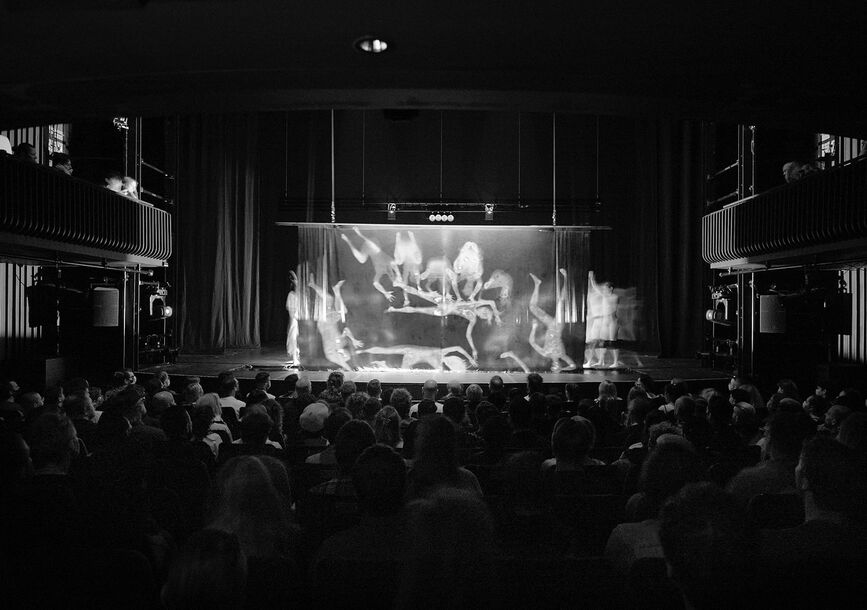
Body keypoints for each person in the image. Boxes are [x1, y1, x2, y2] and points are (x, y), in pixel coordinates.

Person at [527, 270, 577, 371]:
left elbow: (532, 342)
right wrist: (562, 370)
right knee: (561, 302)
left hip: (550, 325)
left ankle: (537, 284)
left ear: (551, 365)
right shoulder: (562, 355)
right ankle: (566, 278)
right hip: (558, 326)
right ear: (559, 365)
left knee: (532, 307)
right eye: (557, 367)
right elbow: (573, 366)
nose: (555, 366)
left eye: (553, 367)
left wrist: (534, 328)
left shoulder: (545, 353)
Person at [584, 270, 623, 368]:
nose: (604, 290)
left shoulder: (614, 296)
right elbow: (597, 289)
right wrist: (591, 279)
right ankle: (601, 361)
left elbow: (598, 289)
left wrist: (592, 279)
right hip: (605, 322)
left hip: (612, 322)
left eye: (606, 288)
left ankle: (616, 362)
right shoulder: (605, 296)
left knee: (612, 342)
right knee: (602, 342)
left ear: (611, 288)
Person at [285, 270, 300, 366]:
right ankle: (295, 358)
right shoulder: (291, 295)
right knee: (294, 339)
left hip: (299, 319)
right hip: (294, 319)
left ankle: (298, 357)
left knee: (298, 339)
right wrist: (294, 316)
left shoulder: (299, 296)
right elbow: (289, 308)